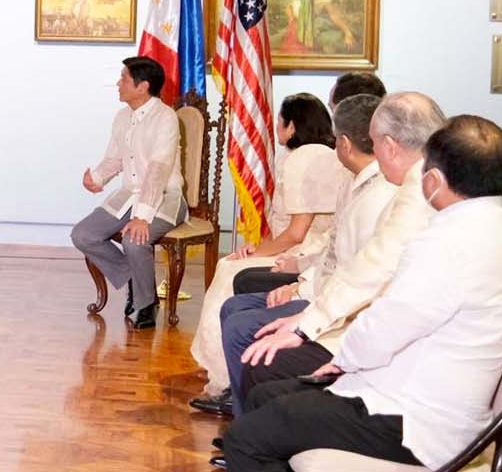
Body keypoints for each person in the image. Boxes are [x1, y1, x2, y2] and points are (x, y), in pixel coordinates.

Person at [215, 115, 502, 472]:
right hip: (436, 404)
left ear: (433, 180)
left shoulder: (448, 243)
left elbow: (386, 326)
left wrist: (340, 361)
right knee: (269, 395)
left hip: (410, 422)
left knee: (246, 438)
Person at [228, 93, 447, 399]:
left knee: (258, 356)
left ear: (389, 146)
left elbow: (371, 269)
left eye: (375, 143)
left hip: (383, 347)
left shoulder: (411, 194)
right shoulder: (426, 181)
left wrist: (306, 323)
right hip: (365, 318)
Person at [213, 95, 397, 419]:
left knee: (242, 324)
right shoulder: (356, 182)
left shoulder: (379, 196)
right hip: (319, 285)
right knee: (234, 304)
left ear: (344, 143)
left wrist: (300, 292)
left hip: (337, 312)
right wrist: (300, 278)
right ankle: (244, 410)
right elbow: (332, 252)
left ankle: (249, 425)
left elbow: (356, 276)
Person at [188, 93, 348, 415]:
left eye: (279, 121)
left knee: (229, 269)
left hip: (305, 251)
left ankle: (225, 380)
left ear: (292, 126)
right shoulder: (325, 154)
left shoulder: (304, 158)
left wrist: (252, 254)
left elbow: (296, 233)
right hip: (309, 249)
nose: (275, 127)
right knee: (237, 264)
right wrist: (257, 247)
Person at [228, 73, 388, 295]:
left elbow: (304, 236)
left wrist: (298, 279)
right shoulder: (347, 170)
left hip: (326, 275)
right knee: (240, 278)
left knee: (233, 274)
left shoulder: (311, 158)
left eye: (335, 111)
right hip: (315, 262)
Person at [70, 56, 187, 330]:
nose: (118, 84)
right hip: (129, 195)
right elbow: (114, 157)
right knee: (83, 235)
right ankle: (136, 276)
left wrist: (143, 217)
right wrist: (97, 178)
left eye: (123, 78)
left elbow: (158, 170)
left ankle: (146, 303)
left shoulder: (166, 118)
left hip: (166, 198)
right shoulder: (122, 116)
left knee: (135, 240)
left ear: (142, 86)